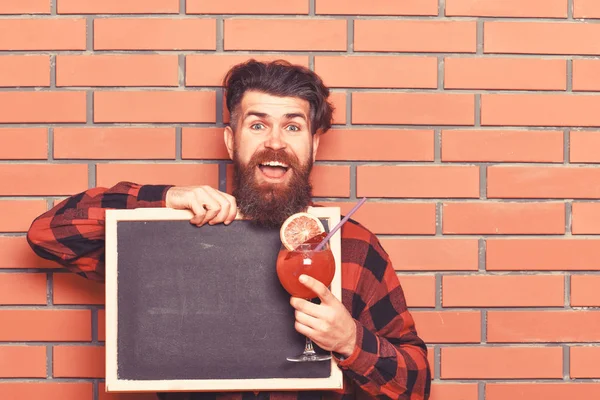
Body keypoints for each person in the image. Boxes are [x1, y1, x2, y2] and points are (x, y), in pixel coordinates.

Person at [27, 60, 431, 400]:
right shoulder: (174, 235)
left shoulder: (353, 246)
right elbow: (48, 234)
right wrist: (163, 199)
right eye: (257, 125)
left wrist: (350, 341)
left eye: (293, 127)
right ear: (229, 141)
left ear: (314, 144)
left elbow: (418, 385)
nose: (275, 142)